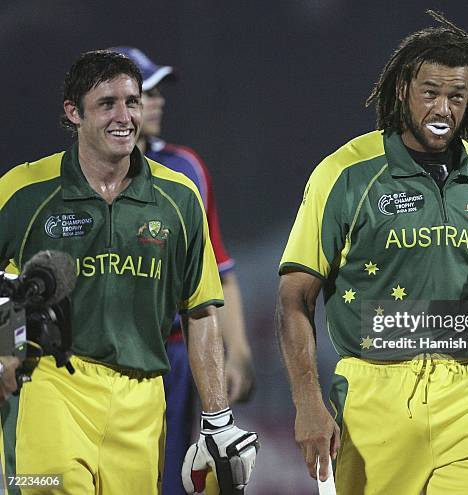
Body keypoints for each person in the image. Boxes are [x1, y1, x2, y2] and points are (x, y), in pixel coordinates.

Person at [276, 11, 468, 495]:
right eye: (430, 92)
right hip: (373, 397)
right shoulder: (347, 173)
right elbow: (295, 297)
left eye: (456, 96)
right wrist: (307, 400)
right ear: (402, 90)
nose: (443, 107)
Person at [0, 50, 257, 494]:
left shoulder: (179, 196)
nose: (125, 117)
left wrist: (218, 419)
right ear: (72, 112)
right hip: (50, 388)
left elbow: (200, 310)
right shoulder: (22, 190)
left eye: (132, 102)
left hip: (142, 400)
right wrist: (6, 346)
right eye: (107, 104)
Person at [110, 46, 255, 495]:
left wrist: (239, 350)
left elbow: (218, 271)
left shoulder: (184, 169)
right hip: (98, 356)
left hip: (173, 353)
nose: (157, 102)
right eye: (145, 92)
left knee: (168, 477)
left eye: (155, 93)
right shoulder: (69, 180)